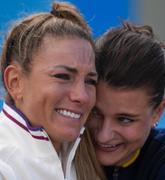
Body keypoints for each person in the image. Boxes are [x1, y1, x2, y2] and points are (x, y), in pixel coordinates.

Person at [0, 2, 105, 180]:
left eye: (90, 81)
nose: (82, 96)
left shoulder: (96, 154)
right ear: (15, 82)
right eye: (62, 76)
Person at [88, 22, 165, 179]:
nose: (104, 135)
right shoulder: (58, 148)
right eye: (95, 112)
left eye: (124, 119)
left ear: (157, 112)